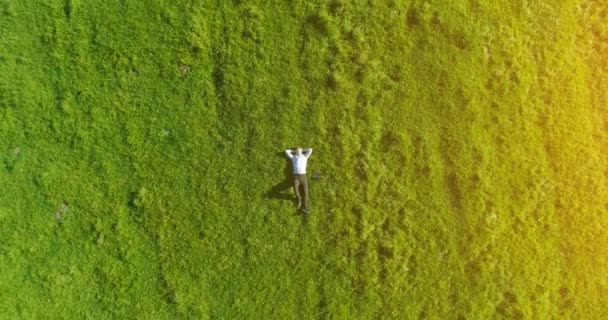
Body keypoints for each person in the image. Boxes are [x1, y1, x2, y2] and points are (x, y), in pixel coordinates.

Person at [285, 147, 312, 212]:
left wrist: (302, 150)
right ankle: (299, 199)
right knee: (296, 190)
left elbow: (310, 149)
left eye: (299, 150)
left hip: (303, 176)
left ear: (302, 151)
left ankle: (305, 207)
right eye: (297, 150)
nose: (298, 151)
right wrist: (294, 151)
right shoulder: (293, 157)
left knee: (306, 192)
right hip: (296, 177)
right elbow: (286, 151)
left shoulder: (305, 157)